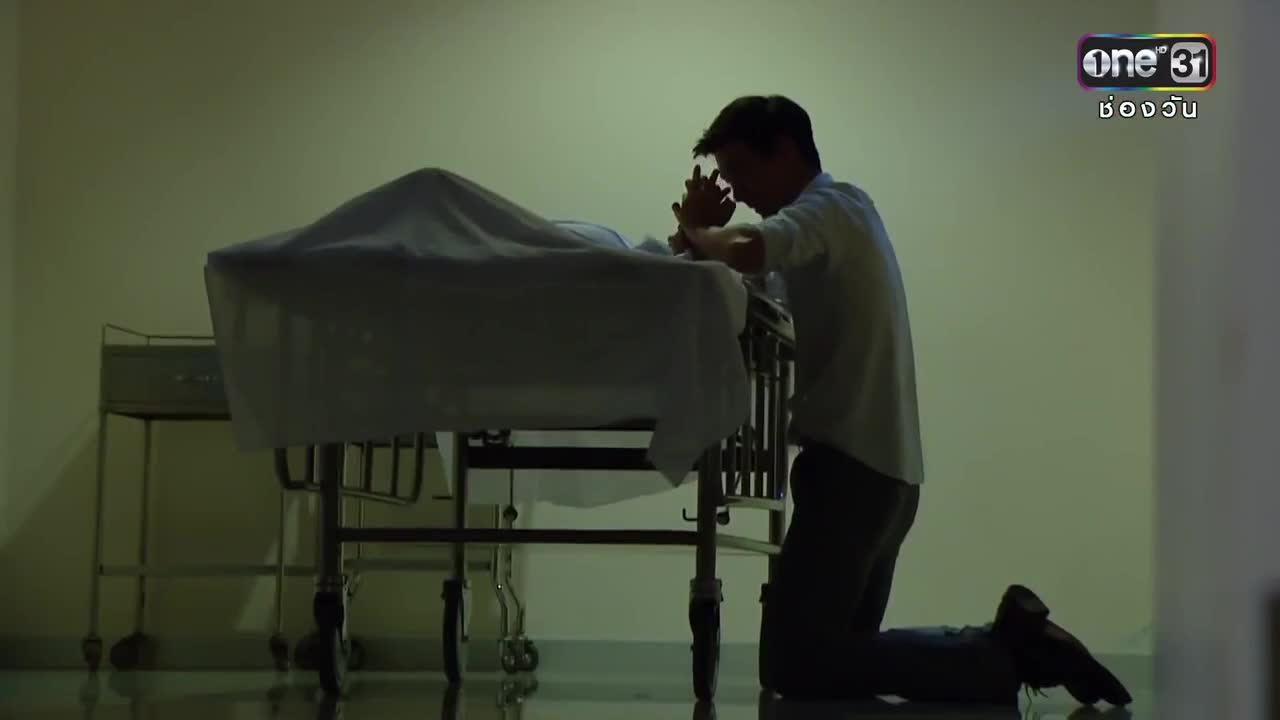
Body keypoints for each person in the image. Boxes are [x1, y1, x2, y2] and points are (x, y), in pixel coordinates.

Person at [669, 95, 1132, 708]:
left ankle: (1005, 649)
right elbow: (729, 278)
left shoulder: (831, 207)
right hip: (884, 478)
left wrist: (699, 229)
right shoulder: (835, 226)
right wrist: (693, 239)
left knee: (796, 661)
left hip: (852, 475)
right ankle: (1007, 646)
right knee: (837, 657)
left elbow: (750, 248)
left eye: (740, 173)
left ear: (783, 150)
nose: (739, 193)